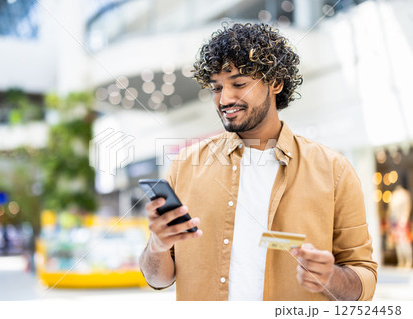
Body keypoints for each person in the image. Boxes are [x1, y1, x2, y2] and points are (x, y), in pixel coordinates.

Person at [139, 23, 377, 301]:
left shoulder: (334, 170)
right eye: (217, 88)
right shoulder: (184, 166)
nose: (225, 99)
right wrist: (157, 246)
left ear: (275, 83)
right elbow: (158, 279)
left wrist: (331, 278)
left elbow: (364, 278)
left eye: (239, 84)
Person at [388, 175, 412, 268]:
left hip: (402, 221)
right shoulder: (394, 195)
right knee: (398, 243)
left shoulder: (405, 194)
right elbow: (391, 210)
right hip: (395, 221)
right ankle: (401, 261)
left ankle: (408, 261)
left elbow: (407, 208)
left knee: (404, 242)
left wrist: (404, 219)